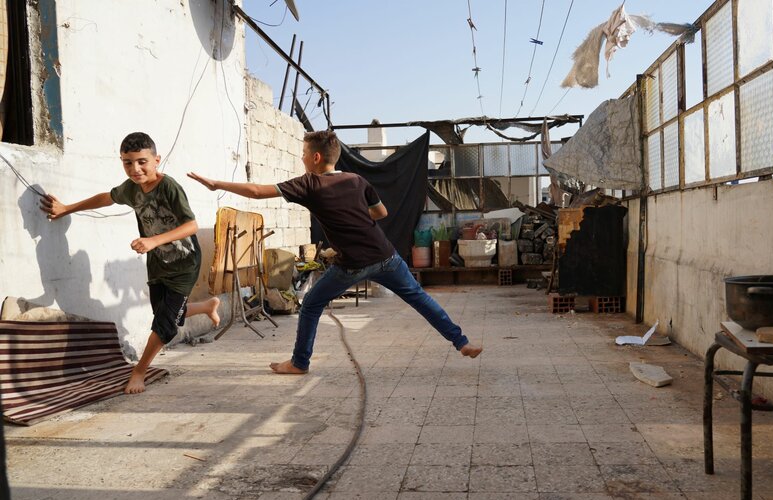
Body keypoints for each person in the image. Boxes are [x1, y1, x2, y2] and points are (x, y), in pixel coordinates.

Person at [187, 130, 482, 374]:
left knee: (312, 303)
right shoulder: (357, 180)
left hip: (352, 264)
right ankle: (461, 342)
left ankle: (298, 363)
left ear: (316, 158)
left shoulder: (309, 184)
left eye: (303, 154)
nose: (302, 159)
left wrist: (215, 184)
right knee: (419, 298)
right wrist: (354, 218)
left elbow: (256, 191)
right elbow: (381, 212)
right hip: (386, 256)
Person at [40, 132, 220, 394]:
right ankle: (206, 306)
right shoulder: (131, 189)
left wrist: (153, 241)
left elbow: (191, 225)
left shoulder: (169, 187)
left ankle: (139, 372)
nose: (135, 169)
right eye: (127, 162)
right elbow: (106, 197)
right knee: (165, 313)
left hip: (184, 263)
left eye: (142, 161)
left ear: (156, 160)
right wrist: (67, 208)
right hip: (158, 264)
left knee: (164, 325)